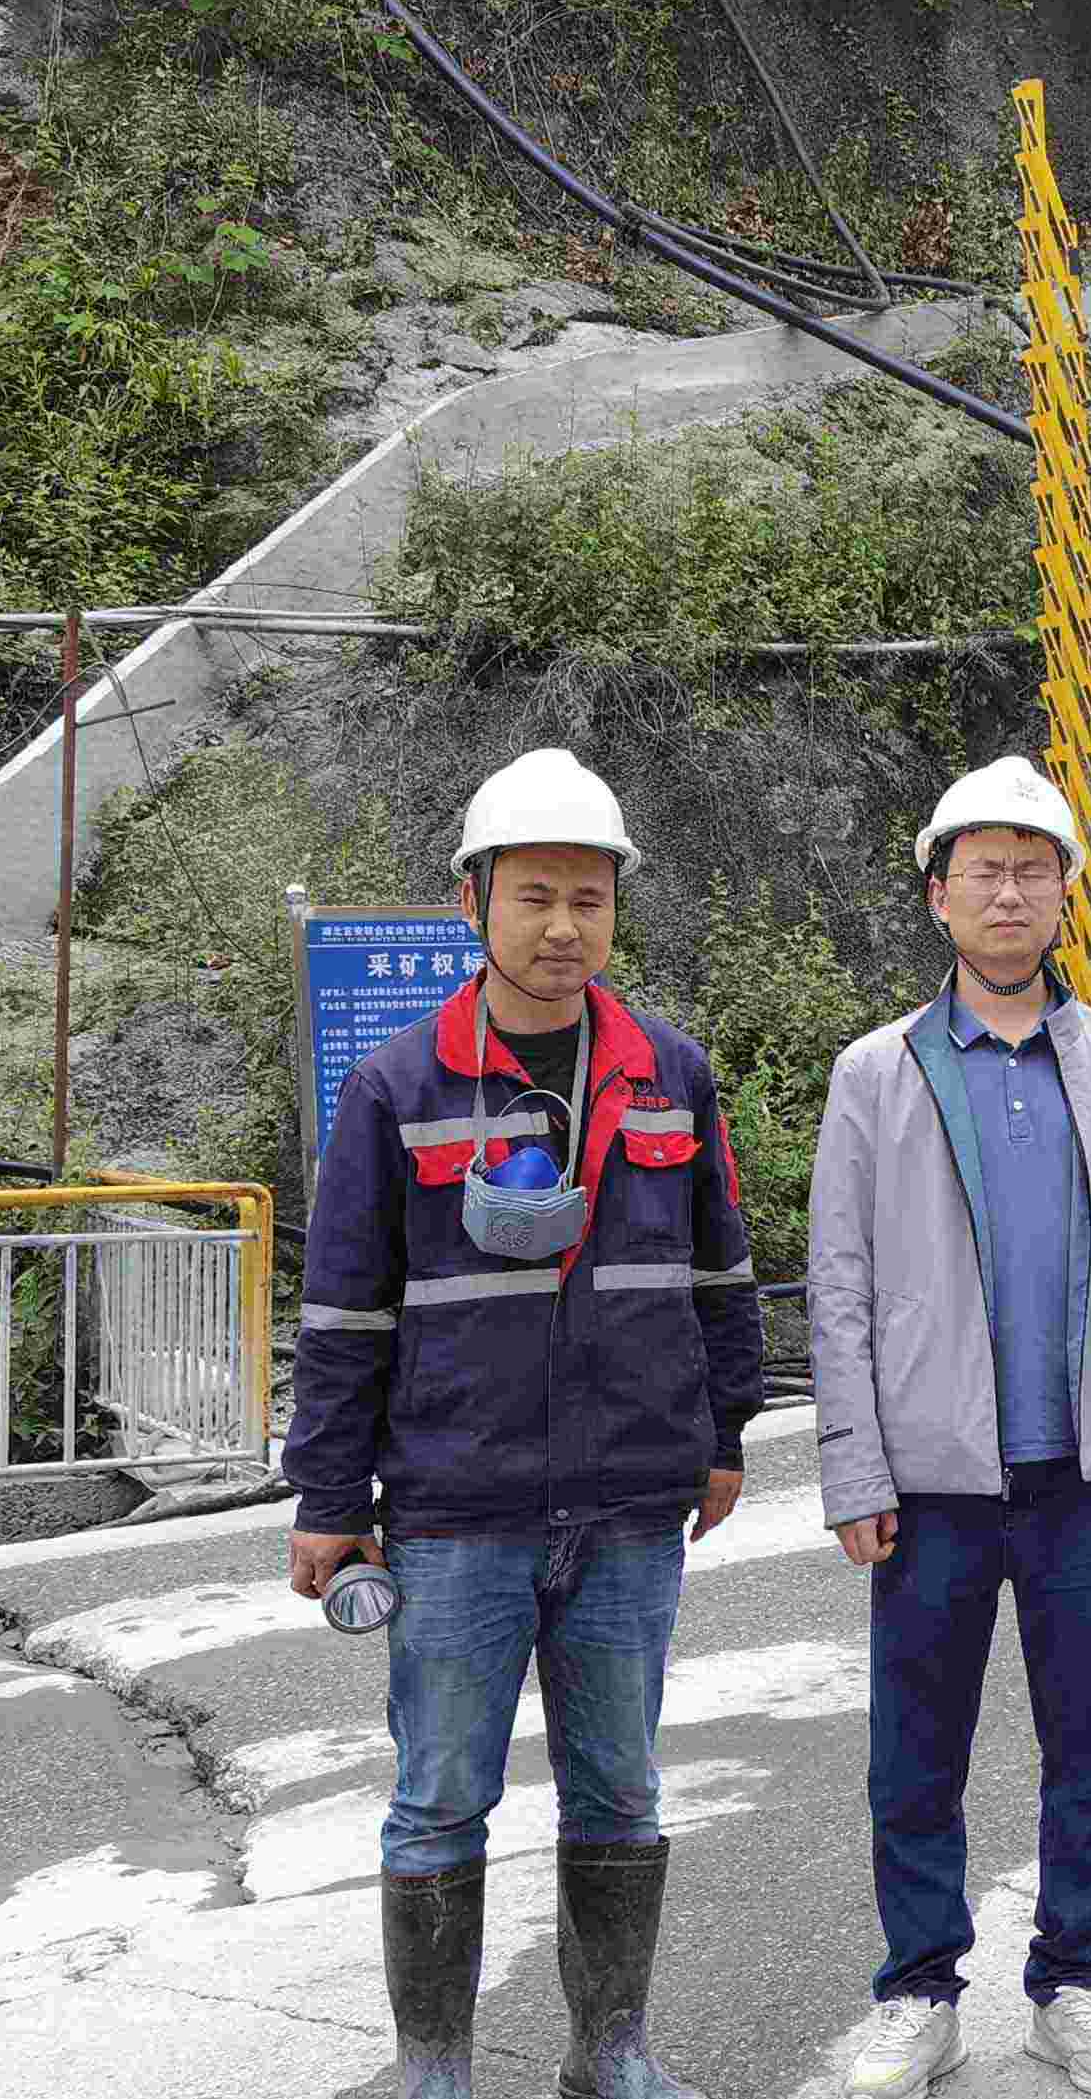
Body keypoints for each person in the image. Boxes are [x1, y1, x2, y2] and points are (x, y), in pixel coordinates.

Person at [281, 746, 762, 2099]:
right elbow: (345, 1312)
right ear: (473, 902)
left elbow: (722, 1273)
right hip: (455, 1510)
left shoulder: (668, 1072)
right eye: (534, 896)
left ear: (616, 909)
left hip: (628, 1507)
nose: (563, 927)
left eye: (588, 899)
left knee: (621, 1790)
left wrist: (725, 1434)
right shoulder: (400, 1086)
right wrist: (329, 1500)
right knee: (441, 1798)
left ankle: (610, 2052)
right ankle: (435, 2069)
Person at [808, 756, 1091, 2099]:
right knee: (916, 1753)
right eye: (984, 871)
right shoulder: (878, 1072)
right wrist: (853, 1466)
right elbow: (839, 1282)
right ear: (939, 895)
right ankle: (918, 1990)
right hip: (931, 1480)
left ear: (1066, 892)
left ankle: (1072, 1985)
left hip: (1083, 1473)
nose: (1009, 893)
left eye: (1034, 870)